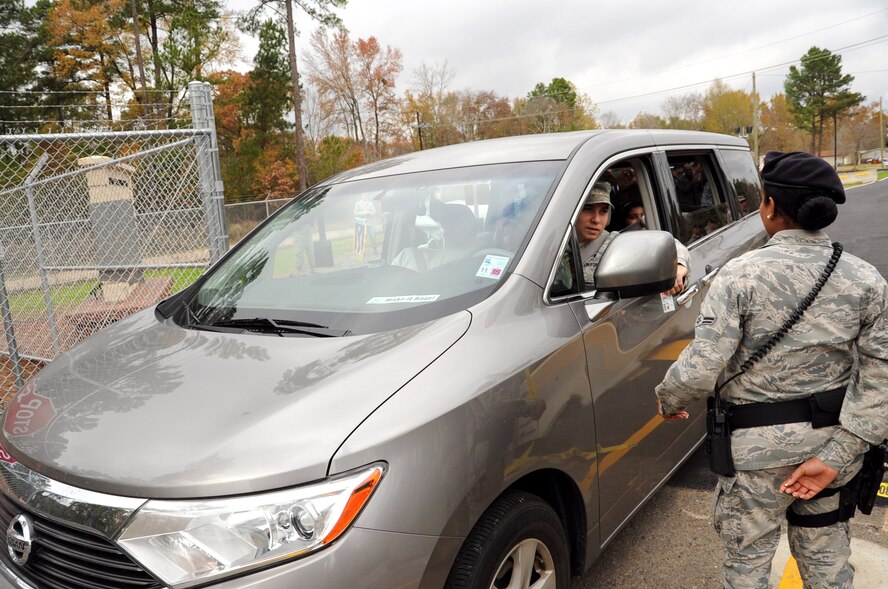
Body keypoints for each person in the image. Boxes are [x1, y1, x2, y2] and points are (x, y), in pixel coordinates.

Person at [654, 151, 888, 589]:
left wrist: (668, 399)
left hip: (754, 457)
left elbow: (703, 366)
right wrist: (837, 457)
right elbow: (882, 375)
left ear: (770, 206)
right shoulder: (866, 279)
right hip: (831, 446)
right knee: (829, 566)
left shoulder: (738, 276)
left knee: (747, 569)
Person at [574, 181, 689, 295]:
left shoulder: (615, 243)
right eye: (588, 209)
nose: (596, 220)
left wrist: (678, 267)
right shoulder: (559, 243)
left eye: (603, 211)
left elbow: (671, 245)